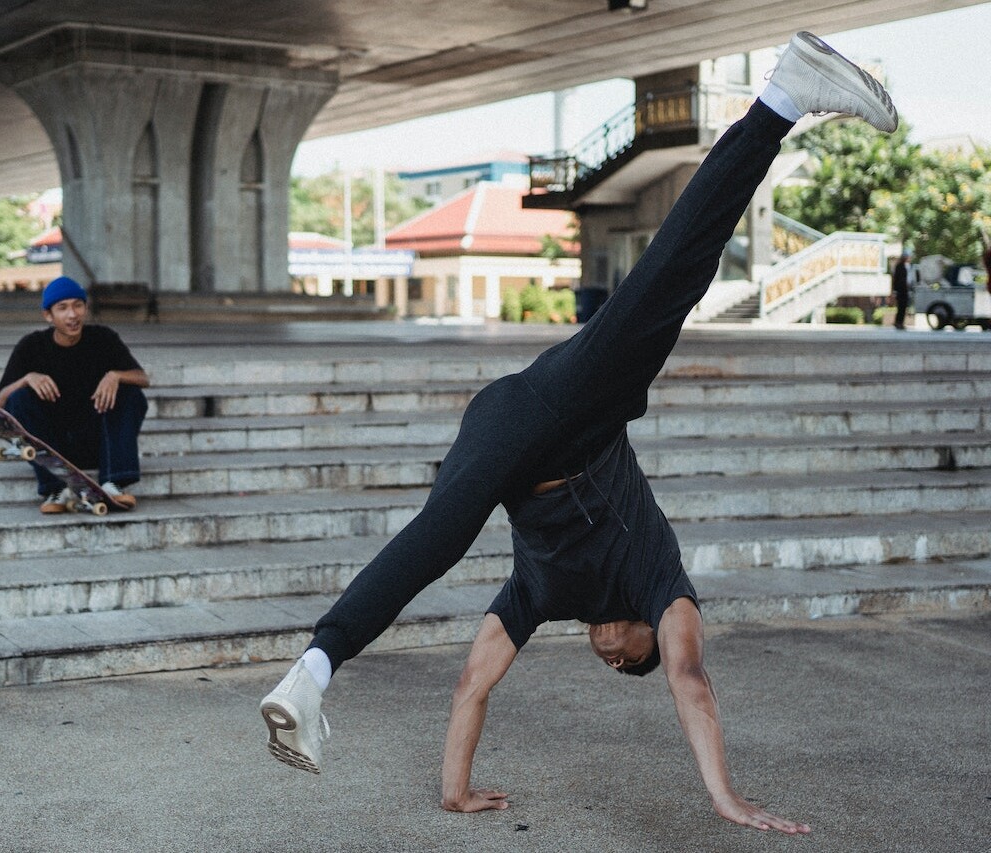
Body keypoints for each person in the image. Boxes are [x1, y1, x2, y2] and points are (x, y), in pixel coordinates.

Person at [260, 30, 898, 835]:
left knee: (440, 534)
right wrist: (725, 797)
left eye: (607, 658)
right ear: (645, 636)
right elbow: (691, 680)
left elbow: (472, 685)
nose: (606, 649)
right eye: (626, 654)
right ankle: (782, 98)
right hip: (572, 412)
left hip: (498, 428)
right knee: (669, 277)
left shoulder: (541, 595)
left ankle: (315, 668)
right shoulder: (660, 578)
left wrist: (455, 790)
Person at [0, 276, 150, 513]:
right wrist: (26, 379)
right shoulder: (31, 346)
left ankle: (113, 482)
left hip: (98, 442)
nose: (72, 315)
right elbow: (1, 404)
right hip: (53, 447)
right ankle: (56, 488)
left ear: (85, 309)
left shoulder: (104, 339)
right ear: (48, 316)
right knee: (20, 398)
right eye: (63, 308)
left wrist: (116, 375)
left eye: (78, 306)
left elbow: (142, 379)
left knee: (130, 393)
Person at [891, 249, 912, 330]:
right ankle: (898, 322)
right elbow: (897, 279)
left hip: (904, 290)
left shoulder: (906, 266)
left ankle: (900, 322)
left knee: (903, 307)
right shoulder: (900, 266)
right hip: (901, 290)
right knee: (901, 307)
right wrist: (895, 290)